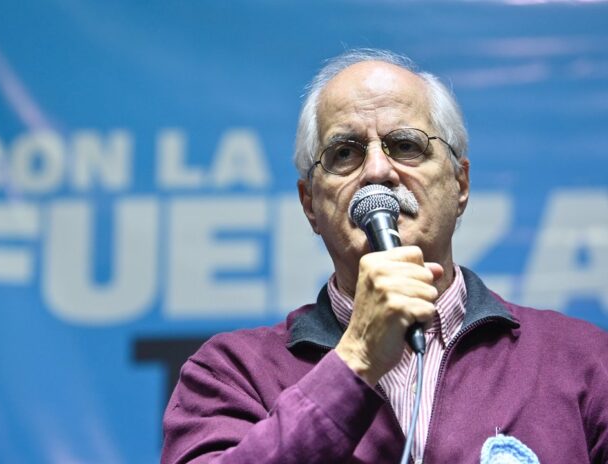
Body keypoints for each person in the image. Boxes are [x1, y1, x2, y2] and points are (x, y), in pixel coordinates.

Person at [161, 49, 608, 463]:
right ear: (310, 204)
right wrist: (357, 356)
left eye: (406, 146)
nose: (377, 171)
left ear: (460, 185)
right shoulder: (230, 372)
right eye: (344, 153)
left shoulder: (582, 360)